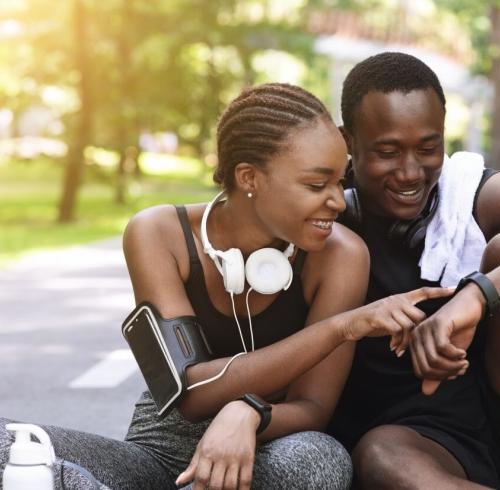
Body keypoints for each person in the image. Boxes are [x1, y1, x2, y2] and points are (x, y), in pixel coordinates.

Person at [0, 82, 452, 490]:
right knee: (9, 444)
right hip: (160, 452)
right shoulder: (159, 234)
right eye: (317, 184)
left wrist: (250, 412)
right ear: (249, 177)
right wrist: (341, 328)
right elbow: (191, 396)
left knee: (320, 460)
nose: (337, 201)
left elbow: (314, 407)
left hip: (269, 446)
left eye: (340, 181)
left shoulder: (341, 255)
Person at [327, 52, 500, 490]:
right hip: (425, 444)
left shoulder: (476, 195)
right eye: (388, 151)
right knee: (380, 456)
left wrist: (476, 296)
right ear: (348, 141)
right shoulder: (322, 212)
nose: (411, 171)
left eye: (428, 147)